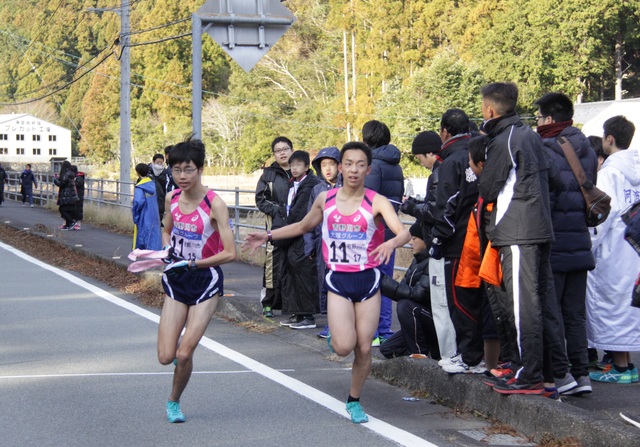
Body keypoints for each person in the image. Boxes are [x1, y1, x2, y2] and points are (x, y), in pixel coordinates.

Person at [244, 142, 410, 424]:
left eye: (360, 164)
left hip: (368, 282)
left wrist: (392, 243)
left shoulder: (376, 201)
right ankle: (338, 335)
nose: (354, 170)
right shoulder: (326, 200)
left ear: (368, 169)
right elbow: (302, 226)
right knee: (344, 347)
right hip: (339, 282)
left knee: (365, 348)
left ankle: (354, 400)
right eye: (348, 163)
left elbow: (403, 233)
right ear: (341, 166)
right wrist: (269, 236)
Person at [477, 82, 555, 394]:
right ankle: (526, 367)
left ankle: (529, 373)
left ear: (490, 109)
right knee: (533, 302)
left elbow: (488, 185)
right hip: (533, 227)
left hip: (518, 230)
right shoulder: (527, 134)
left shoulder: (505, 138)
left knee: (523, 304)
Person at [157, 138, 236, 423]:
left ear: (200, 169)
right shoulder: (172, 198)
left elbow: (230, 252)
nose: (182, 176)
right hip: (177, 279)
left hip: (205, 280)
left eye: (188, 169)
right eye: (176, 170)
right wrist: (168, 250)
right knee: (167, 356)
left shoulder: (215, 204)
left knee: (185, 351)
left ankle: (174, 401)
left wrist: (193, 263)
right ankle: (179, 359)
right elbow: (166, 228)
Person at [534, 92, 598, 395]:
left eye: (537, 118)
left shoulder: (547, 147)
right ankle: (582, 374)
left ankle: (560, 376)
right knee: (575, 313)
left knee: (552, 312)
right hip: (581, 243)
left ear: (548, 119)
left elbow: (547, 200)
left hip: (556, 243)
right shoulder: (584, 145)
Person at [428, 109, 486, 375]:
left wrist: (439, 239)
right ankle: (478, 356)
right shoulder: (478, 151)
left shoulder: (452, 161)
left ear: (444, 132)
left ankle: (469, 356)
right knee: (478, 300)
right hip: (481, 239)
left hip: (458, 243)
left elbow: (447, 206)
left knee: (460, 301)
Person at [587, 115, 640, 384]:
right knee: (628, 305)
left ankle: (620, 368)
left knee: (613, 304)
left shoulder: (609, 173)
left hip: (613, 249)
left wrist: (589, 245)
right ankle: (628, 364)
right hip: (634, 247)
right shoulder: (636, 170)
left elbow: (601, 215)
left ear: (609, 139)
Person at [400, 130, 457, 360]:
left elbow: (435, 210)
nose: (420, 163)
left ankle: (447, 355)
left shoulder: (440, 171)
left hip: (441, 246)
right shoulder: (446, 167)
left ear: (430, 153)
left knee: (442, 306)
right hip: (443, 244)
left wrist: (412, 208)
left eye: (420, 158)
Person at [362, 120, 404, 345]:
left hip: (375, 232)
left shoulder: (374, 165)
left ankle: (375, 331)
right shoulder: (396, 165)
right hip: (392, 229)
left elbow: (368, 199)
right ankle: (384, 329)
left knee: (371, 280)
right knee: (386, 280)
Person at [379, 222, 440, 360]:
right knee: (387, 349)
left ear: (426, 240)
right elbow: (403, 289)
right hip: (421, 319)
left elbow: (418, 294)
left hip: (434, 321)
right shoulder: (416, 261)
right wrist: (382, 282)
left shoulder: (433, 262)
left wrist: (382, 281)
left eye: (414, 239)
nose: (410, 243)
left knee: (406, 306)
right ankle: (427, 349)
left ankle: (420, 354)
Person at [278, 150, 320, 329]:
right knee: (292, 274)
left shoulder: (310, 184)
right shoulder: (292, 184)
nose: (294, 168)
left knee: (304, 274)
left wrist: (282, 232)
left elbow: (299, 213)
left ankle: (307, 316)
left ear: (306, 166)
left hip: (302, 234)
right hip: (292, 233)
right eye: (292, 165)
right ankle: (297, 313)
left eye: (298, 165)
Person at [304, 146, 342, 338]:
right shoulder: (318, 190)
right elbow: (310, 221)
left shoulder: (346, 187)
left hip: (343, 245)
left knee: (340, 286)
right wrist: (309, 245)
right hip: (322, 245)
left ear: (339, 166)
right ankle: (330, 324)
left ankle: (339, 326)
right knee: (325, 284)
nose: (328, 169)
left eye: (332, 164)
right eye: (323, 165)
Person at [255, 137, 293, 317]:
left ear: (292, 150)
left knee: (293, 262)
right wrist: (277, 210)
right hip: (274, 225)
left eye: (286, 149)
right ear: (274, 154)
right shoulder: (268, 174)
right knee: (272, 261)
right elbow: (260, 199)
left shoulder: (300, 171)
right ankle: (268, 302)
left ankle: (290, 303)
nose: (283, 153)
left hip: (296, 225)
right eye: (278, 150)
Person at [132, 163, 162, 251]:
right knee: (154, 235)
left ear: (137, 173)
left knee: (143, 235)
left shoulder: (140, 188)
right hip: (154, 215)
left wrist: (135, 216)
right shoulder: (153, 184)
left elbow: (138, 202)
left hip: (144, 215)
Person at [53, 161, 79, 230]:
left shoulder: (66, 175)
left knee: (62, 210)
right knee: (67, 210)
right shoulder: (70, 174)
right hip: (70, 196)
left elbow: (61, 184)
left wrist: (55, 180)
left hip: (66, 196)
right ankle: (68, 225)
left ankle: (71, 222)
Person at [149, 153, 167, 223]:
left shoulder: (165, 172)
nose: (159, 164)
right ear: (153, 161)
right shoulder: (147, 171)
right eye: (157, 162)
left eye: (161, 162)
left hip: (161, 199)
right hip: (150, 198)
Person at [71, 165, 85, 230]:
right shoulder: (76, 177)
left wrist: (71, 181)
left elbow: (77, 184)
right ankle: (74, 223)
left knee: (78, 209)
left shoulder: (79, 178)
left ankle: (78, 223)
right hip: (75, 195)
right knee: (74, 209)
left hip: (78, 196)